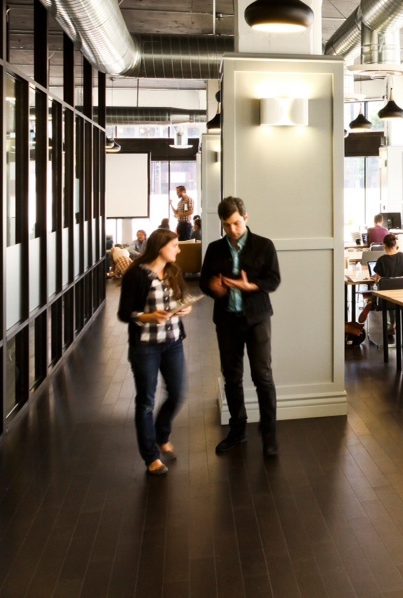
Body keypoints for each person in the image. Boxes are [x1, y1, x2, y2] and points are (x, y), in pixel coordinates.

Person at [200, 196, 282, 458]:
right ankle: (238, 431)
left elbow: (273, 280)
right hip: (226, 321)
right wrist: (213, 287)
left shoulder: (264, 245)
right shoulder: (214, 248)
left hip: (257, 318)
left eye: (236, 223)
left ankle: (269, 437)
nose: (232, 230)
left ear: (245, 218)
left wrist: (251, 286)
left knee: (263, 377)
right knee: (232, 378)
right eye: (227, 225)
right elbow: (203, 282)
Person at [116, 228, 192, 476]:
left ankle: (162, 434)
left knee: (178, 392)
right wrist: (147, 316)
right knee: (146, 401)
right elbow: (124, 313)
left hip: (173, 341)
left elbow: (182, 298)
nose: (178, 250)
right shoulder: (135, 276)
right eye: (175, 245)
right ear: (161, 248)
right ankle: (151, 457)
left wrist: (185, 309)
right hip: (145, 346)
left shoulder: (173, 271)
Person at [358, 235, 403, 324]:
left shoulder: (382, 260)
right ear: (395, 244)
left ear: (384, 245)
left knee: (384, 289)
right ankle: (393, 325)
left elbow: (377, 280)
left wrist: (376, 278)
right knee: (394, 289)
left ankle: (371, 301)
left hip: (387, 298)